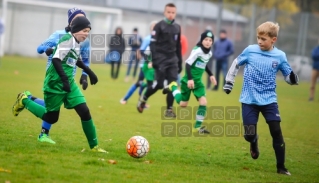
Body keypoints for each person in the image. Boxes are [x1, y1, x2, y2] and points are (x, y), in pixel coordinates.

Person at [12, 16, 107, 153]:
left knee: (84, 111)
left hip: (69, 83)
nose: (87, 34)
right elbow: (56, 60)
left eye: (88, 31)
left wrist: (90, 72)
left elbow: (77, 60)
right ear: (76, 30)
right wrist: (63, 80)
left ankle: (95, 147)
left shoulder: (76, 42)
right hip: (55, 83)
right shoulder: (67, 41)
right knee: (51, 118)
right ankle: (24, 100)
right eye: (85, 31)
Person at [223, 21, 299, 175]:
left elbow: (288, 76)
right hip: (249, 100)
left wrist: (293, 78)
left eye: (263, 39)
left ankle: (281, 168)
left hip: (269, 100)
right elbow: (236, 63)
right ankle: (254, 141)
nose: (259, 41)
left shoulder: (280, 56)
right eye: (258, 38)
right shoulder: (250, 50)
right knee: (249, 135)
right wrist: (229, 82)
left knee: (276, 131)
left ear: (273, 40)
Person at [30, 7, 90, 144]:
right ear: (70, 22)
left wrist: (85, 75)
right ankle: (43, 134)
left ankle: (28, 99)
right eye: (76, 19)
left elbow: (85, 59)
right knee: (52, 108)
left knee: (53, 107)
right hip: (54, 77)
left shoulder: (84, 40)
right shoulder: (58, 35)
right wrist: (48, 49)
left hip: (69, 79)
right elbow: (39, 48)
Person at [163, 30, 217, 133]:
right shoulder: (197, 51)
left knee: (203, 102)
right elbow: (187, 64)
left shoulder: (209, 53)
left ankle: (197, 127)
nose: (208, 42)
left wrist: (211, 75)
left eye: (210, 40)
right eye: (206, 39)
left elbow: (204, 65)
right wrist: (190, 79)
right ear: (201, 40)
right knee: (183, 104)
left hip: (198, 83)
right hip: (188, 80)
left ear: (212, 42)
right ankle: (173, 86)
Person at [137, 3, 182, 118]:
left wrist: (180, 61)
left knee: (173, 84)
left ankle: (169, 110)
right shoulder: (159, 26)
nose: (171, 14)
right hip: (160, 59)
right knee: (159, 85)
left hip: (172, 59)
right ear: (164, 12)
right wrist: (155, 59)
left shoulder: (177, 27)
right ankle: (143, 99)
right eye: (169, 12)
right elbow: (152, 44)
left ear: (175, 13)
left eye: (173, 12)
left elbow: (178, 45)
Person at [120, 21, 157, 105]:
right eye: (153, 27)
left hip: (153, 66)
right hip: (145, 65)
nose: (155, 28)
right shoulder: (148, 39)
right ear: (150, 28)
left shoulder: (159, 39)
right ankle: (128, 99)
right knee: (142, 83)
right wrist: (147, 61)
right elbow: (142, 51)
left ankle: (139, 101)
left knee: (150, 84)